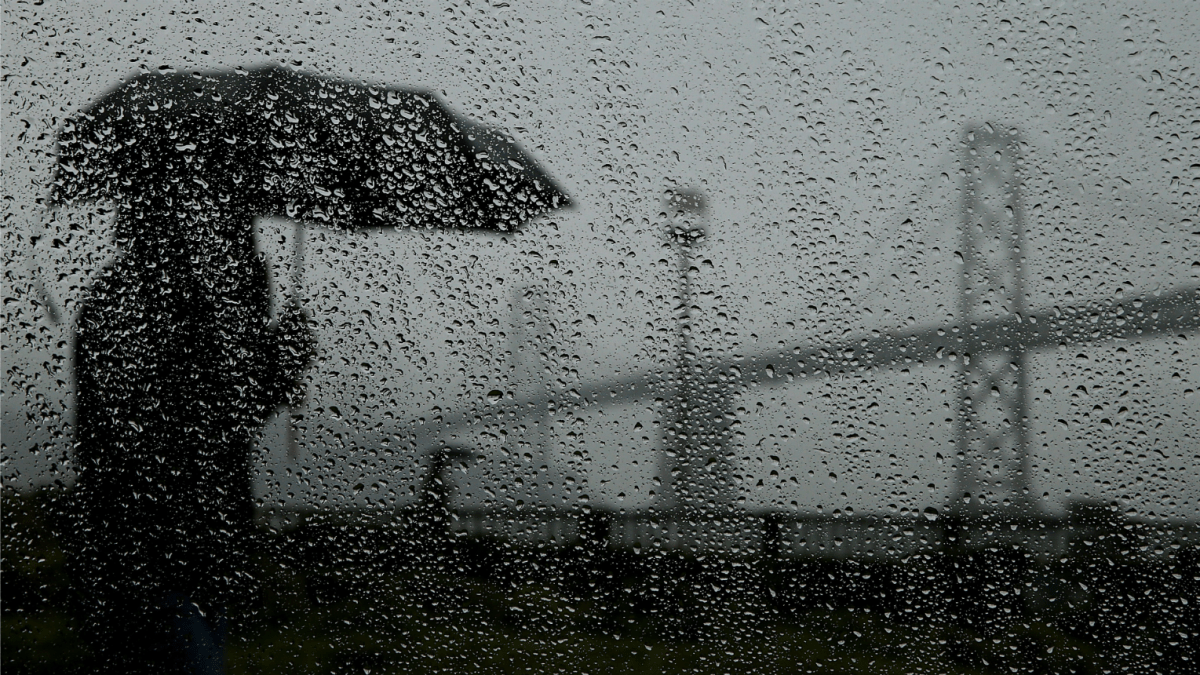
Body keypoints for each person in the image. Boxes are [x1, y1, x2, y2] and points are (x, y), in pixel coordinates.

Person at [65, 198, 314, 674]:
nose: (253, 256)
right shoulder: (140, 306)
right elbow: (186, 429)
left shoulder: (138, 301)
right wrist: (276, 365)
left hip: (175, 559)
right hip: (153, 564)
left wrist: (272, 362)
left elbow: (207, 419)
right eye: (239, 241)